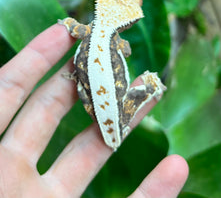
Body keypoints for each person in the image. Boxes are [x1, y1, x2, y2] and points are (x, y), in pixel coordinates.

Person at [0, 24, 189, 198]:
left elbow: (119, 47)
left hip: (103, 100)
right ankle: (145, 91)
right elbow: (122, 48)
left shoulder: (99, 33)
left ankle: (144, 93)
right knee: (111, 116)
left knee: (112, 116)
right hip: (102, 100)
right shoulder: (98, 32)